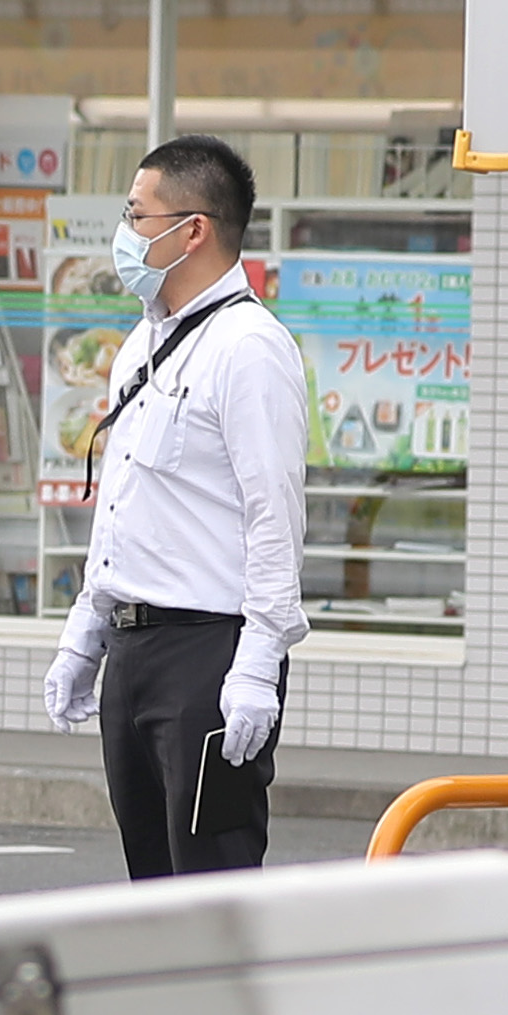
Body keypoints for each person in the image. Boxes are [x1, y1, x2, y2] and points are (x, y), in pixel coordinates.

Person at [42, 132, 310, 879]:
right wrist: (86, 635)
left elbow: (274, 516)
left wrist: (257, 664)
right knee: (152, 895)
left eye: (136, 215)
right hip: (134, 649)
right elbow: (124, 505)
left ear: (192, 228)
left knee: (212, 893)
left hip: (207, 655)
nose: (124, 235)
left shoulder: (249, 347)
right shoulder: (142, 344)